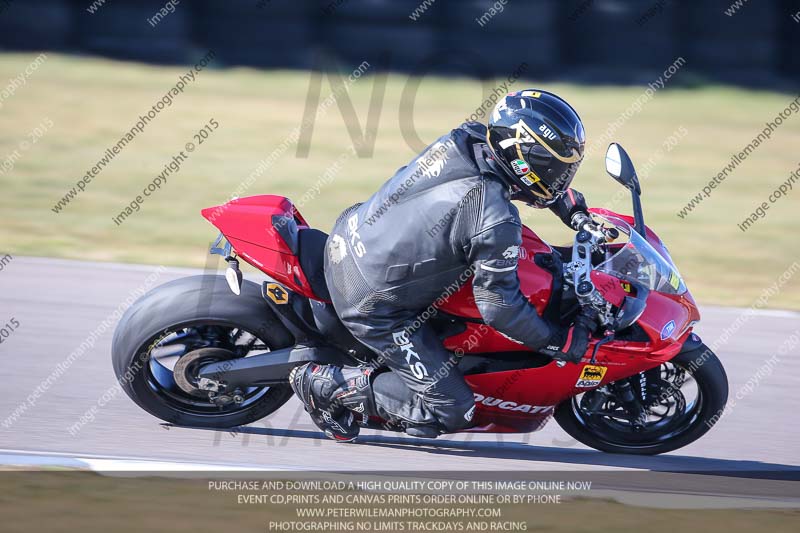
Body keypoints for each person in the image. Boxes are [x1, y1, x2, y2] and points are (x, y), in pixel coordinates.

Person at [290, 89, 595, 442]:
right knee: (452, 410)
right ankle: (323, 384)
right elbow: (500, 309)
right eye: (554, 166)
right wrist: (557, 342)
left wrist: (573, 211)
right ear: (525, 157)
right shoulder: (495, 219)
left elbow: (530, 182)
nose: (561, 174)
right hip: (372, 304)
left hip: (351, 234)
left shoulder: (465, 139)